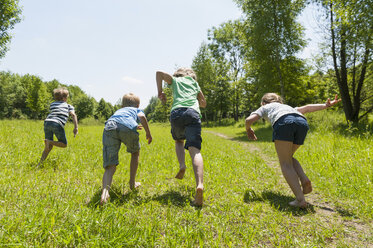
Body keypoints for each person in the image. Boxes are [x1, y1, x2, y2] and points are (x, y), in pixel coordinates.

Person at [245, 93, 341, 208]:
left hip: (284, 123)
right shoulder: (288, 107)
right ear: (279, 101)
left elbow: (248, 119)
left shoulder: (265, 107)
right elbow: (307, 108)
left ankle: (300, 200)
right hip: (302, 123)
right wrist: (326, 105)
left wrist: (248, 129)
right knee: (288, 157)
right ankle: (304, 179)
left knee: (285, 163)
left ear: (263, 103)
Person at [156, 68, 207, 206]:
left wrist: (160, 92)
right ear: (192, 76)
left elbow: (159, 73)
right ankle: (200, 185)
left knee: (179, 140)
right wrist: (196, 100)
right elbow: (203, 103)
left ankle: (182, 165)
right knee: (195, 150)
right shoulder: (195, 84)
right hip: (193, 113)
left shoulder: (175, 81)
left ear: (178, 74)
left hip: (177, 113)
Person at [100, 93, 152, 205]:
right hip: (127, 126)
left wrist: (133, 125)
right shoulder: (136, 110)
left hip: (109, 126)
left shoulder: (119, 111)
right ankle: (132, 183)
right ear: (137, 105)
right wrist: (148, 133)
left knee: (110, 165)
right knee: (135, 152)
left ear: (122, 105)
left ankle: (105, 193)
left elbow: (120, 122)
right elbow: (142, 117)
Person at [38, 87, 78, 166]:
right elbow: (73, 115)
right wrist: (76, 127)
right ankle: (49, 141)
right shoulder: (68, 106)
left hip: (47, 122)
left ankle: (39, 164)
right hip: (57, 123)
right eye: (66, 97)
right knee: (63, 144)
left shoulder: (52, 104)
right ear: (64, 98)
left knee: (49, 147)